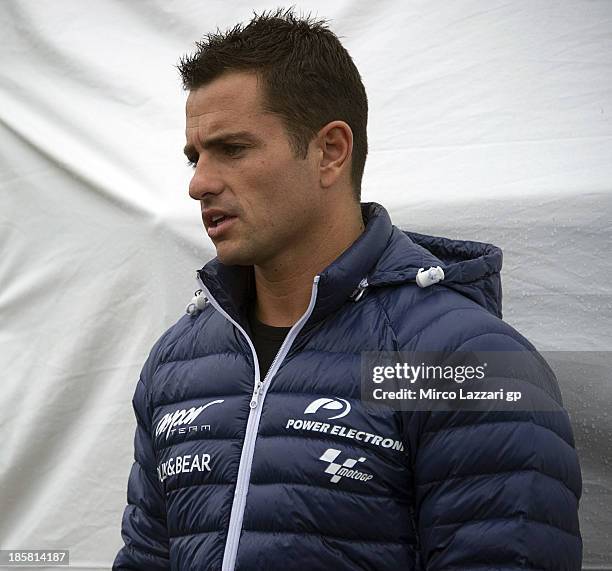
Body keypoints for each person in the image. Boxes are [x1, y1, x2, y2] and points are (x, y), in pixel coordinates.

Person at [113, 8, 582, 571]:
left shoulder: (466, 363)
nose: (198, 183)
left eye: (232, 149)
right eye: (195, 156)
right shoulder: (178, 360)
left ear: (331, 151)